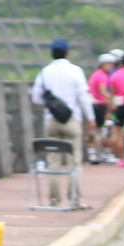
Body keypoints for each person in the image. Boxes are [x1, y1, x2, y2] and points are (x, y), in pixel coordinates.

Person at [31, 38, 96, 208]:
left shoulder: (45, 72)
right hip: (72, 120)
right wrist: (91, 119)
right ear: (67, 52)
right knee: (74, 160)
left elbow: (36, 97)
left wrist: (51, 104)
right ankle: (75, 200)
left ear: (52, 53)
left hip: (51, 120)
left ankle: (54, 200)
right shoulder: (75, 71)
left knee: (53, 161)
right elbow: (83, 97)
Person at [87, 52, 115, 163]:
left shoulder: (96, 74)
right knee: (105, 130)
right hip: (100, 106)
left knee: (92, 131)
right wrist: (112, 102)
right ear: (103, 64)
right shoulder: (103, 75)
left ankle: (92, 154)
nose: (111, 67)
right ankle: (105, 154)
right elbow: (103, 91)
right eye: (109, 64)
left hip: (93, 104)